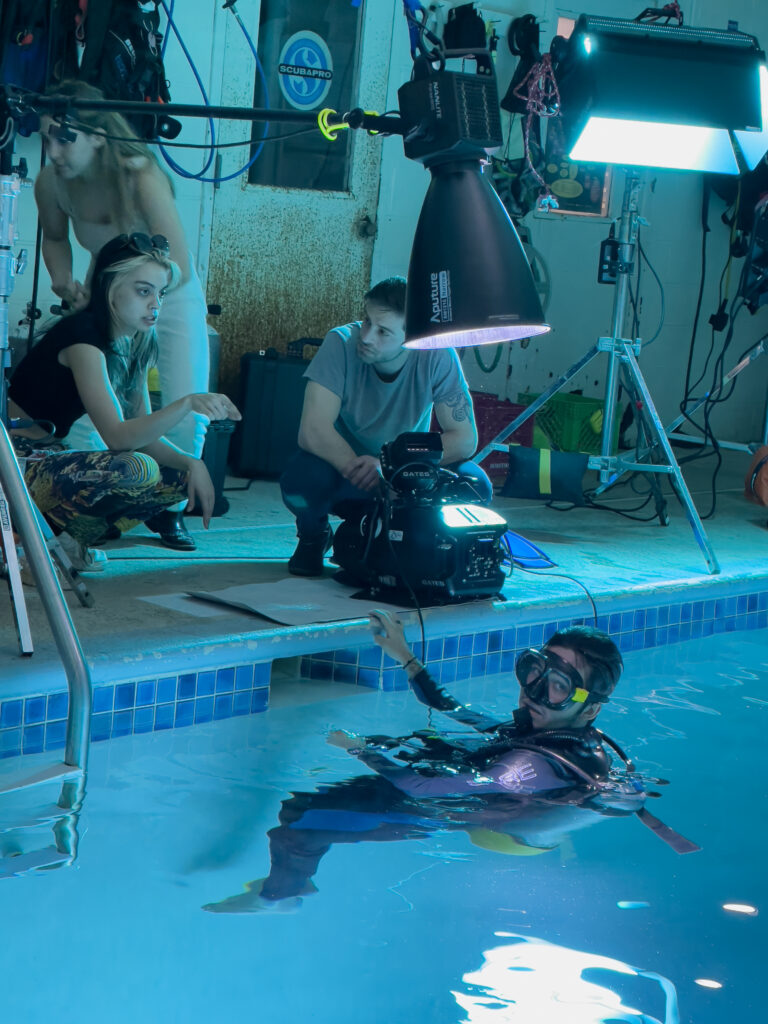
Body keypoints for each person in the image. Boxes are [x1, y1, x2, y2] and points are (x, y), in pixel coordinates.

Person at [203, 615, 650, 915]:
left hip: (460, 808)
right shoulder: (551, 728)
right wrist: (405, 655)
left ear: (589, 709)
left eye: (554, 686)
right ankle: (292, 884)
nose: (530, 692)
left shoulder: (535, 762)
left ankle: (282, 897)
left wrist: (361, 747)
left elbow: (430, 792)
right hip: (476, 795)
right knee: (301, 807)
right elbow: (458, 710)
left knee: (297, 820)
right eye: (532, 672)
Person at [34, 79, 211, 550]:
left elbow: (180, 262)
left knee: (186, 402)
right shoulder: (51, 181)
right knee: (103, 403)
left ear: (98, 137)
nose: (52, 150)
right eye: (46, 136)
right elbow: (53, 236)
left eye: (63, 139)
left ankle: (170, 509)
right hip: (110, 289)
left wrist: (140, 299)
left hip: (169, 289)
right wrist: (62, 277)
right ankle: (88, 506)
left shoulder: (140, 175)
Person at [9, 233, 240, 571]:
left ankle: (66, 544)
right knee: (134, 468)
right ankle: (32, 551)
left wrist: (193, 463)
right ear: (109, 286)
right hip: (14, 466)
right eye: (144, 291)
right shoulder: (82, 339)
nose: (155, 304)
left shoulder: (134, 343)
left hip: (49, 459)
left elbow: (143, 434)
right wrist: (188, 403)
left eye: (161, 293)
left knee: (176, 479)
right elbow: (119, 437)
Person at [279, 276, 493, 577]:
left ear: (411, 337)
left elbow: (464, 439)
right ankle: (314, 535)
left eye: (383, 332)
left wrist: (394, 468)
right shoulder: (340, 343)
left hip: (402, 475)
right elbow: (313, 430)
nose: (366, 336)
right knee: (300, 481)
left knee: (475, 485)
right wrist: (363, 468)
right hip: (349, 474)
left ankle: (430, 545)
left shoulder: (437, 354)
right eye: (366, 322)